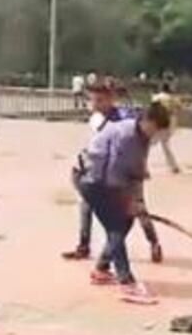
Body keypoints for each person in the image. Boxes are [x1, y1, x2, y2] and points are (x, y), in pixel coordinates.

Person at [76, 102, 172, 296]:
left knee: (126, 222)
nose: (156, 135)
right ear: (147, 121)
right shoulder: (126, 135)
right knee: (115, 227)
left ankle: (102, 269)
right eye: (155, 129)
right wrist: (127, 201)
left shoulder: (143, 138)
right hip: (92, 180)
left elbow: (136, 173)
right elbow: (113, 172)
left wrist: (137, 202)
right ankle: (126, 280)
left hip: (109, 182)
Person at [63, 85, 163, 263]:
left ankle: (153, 243)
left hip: (128, 170)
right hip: (103, 171)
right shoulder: (96, 119)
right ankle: (85, 247)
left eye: (99, 100)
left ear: (110, 100)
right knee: (86, 206)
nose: (94, 104)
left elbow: (140, 142)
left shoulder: (123, 118)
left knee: (138, 208)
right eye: (92, 100)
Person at [151, 82, 182, 174]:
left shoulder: (156, 97)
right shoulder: (174, 98)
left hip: (160, 122)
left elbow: (153, 109)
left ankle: (140, 165)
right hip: (171, 122)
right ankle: (174, 166)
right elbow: (179, 109)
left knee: (147, 143)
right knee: (165, 145)